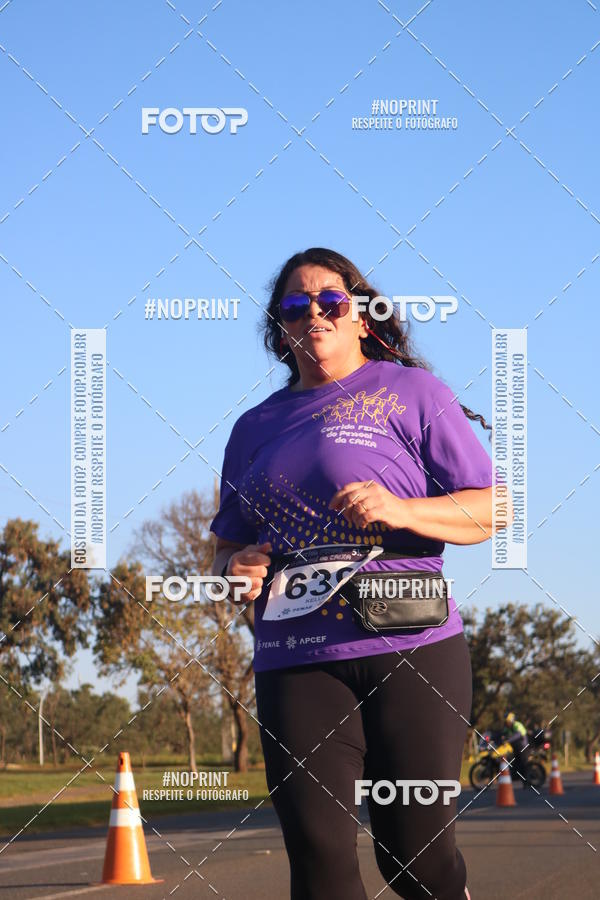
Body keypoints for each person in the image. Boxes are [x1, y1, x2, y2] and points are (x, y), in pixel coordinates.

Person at [210, 247, 505, 899]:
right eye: (295, 305)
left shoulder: (412, 394)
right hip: (294, 657)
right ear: (280, 329)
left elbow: (494, 506)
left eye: (329, 301)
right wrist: (238, 568)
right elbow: (224, 550)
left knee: (415, 860)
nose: (312, 313)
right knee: (318, 859)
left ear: (362, 316)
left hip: (412, 649)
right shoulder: (252, 428)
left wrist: (401, 507)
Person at [503, 711, 530, 786]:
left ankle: (526, 782)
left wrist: (507, 740)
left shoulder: (517, 725)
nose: (506, 723)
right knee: (515, 764)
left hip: (523, 747)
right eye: (506, 722)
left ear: (511, 720)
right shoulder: (509, 728)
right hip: (516, 748)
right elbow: (503, 733)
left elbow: (517, 735)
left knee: (523, 764)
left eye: (507, 721)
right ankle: (517, 777)